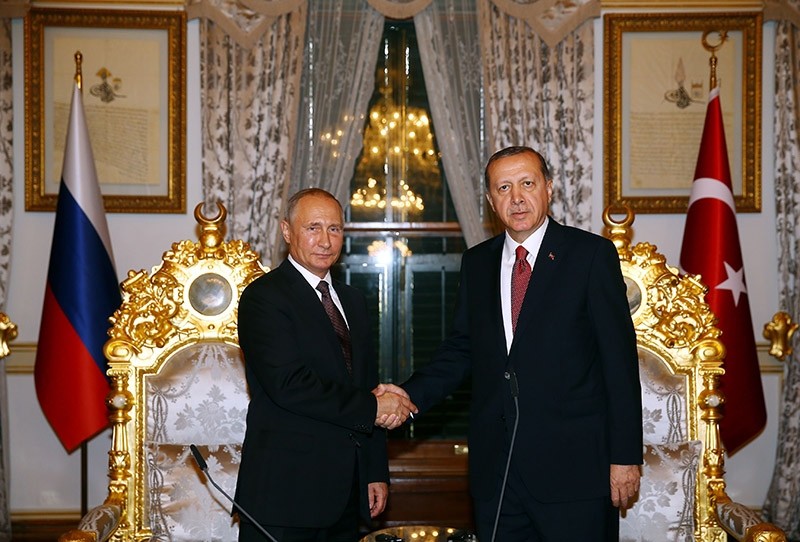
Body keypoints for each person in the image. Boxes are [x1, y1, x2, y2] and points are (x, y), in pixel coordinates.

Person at [380, 146, 643, 541]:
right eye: (504, 187)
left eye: (527, 184)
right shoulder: (478, 262)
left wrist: (624, 458)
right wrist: (406, 396)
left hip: (574, 472)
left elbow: (619, 364)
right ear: (490, 200)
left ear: (549, 189)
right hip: (497, 474)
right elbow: (460, 351)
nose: (516, 198)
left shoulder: (590, 255)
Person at [235, 188, 416, 541]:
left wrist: (374, 471)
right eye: (313, 228)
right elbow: (290, 384)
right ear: (287, 232)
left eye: (334, 229)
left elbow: (366, 383)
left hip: (345, 494)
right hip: (284, 495)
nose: (325, 240)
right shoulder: (264, 297)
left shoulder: (352, 300)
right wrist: (374, 406)